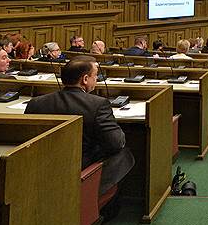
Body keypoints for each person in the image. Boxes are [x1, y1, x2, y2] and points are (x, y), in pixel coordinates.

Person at [24, 56, 134, 195]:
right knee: (124, 154)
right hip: (79, 168)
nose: (97, 79)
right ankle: (100, 198)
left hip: (42, 167)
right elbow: (116, 143)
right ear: (85, 79)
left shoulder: (36, 103)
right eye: (95, 75)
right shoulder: (98, 104)